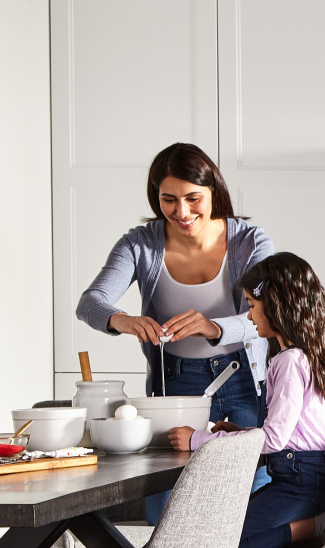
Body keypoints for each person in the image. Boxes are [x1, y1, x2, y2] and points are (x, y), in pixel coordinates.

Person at [168, 252, 325, 548]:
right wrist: (232, 432)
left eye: (251, 304)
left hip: (300, 482)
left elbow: (275, 440)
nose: (248, 315)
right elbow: (285, 431)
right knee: (219, 537)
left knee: (216, 544)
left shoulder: (288, 361)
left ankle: (313, 526)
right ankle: (308, 527)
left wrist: (198, 440)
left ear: (278, 303)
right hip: (310, 476)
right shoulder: (302, 355)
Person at [76, 143, 274, 522]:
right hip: (176, 384)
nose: (182, 212)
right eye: (169, 200)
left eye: (193, 198)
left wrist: (214, 326)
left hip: (243, 378)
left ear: (214, 190)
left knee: (251, 493)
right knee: (168, 503)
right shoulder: (140, 243)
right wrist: (123, 320)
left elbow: (272, 311)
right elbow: (91, 301)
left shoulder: (250, 241)